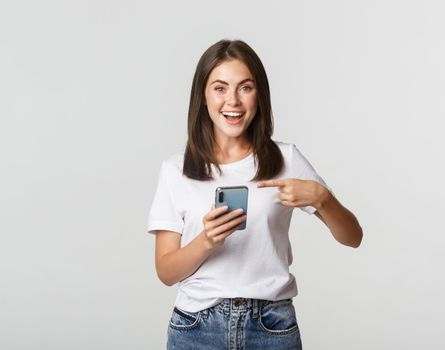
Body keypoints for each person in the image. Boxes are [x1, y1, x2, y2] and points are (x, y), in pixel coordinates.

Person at [147, 39, 363, 350]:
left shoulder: (285, 159)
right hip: (197, 328)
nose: (232, 100)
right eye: (220, 88)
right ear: (203, 96)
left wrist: (322, 199)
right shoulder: (175, 169)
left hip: (271, 326)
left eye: (245, 87)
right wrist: (206, 241)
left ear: (259, 94)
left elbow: (353, 237)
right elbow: (166, 272)